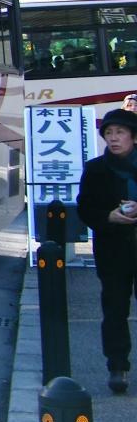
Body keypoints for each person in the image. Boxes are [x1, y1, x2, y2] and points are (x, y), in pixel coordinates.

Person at [76, 107, 137, 393]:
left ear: (133, 137)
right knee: (114, 309)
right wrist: (108, 217)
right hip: (112, 250)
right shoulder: (96, 169)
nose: (113, 138)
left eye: (120, 133)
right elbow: (85, 208)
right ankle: (117, 366)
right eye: (108, 133)